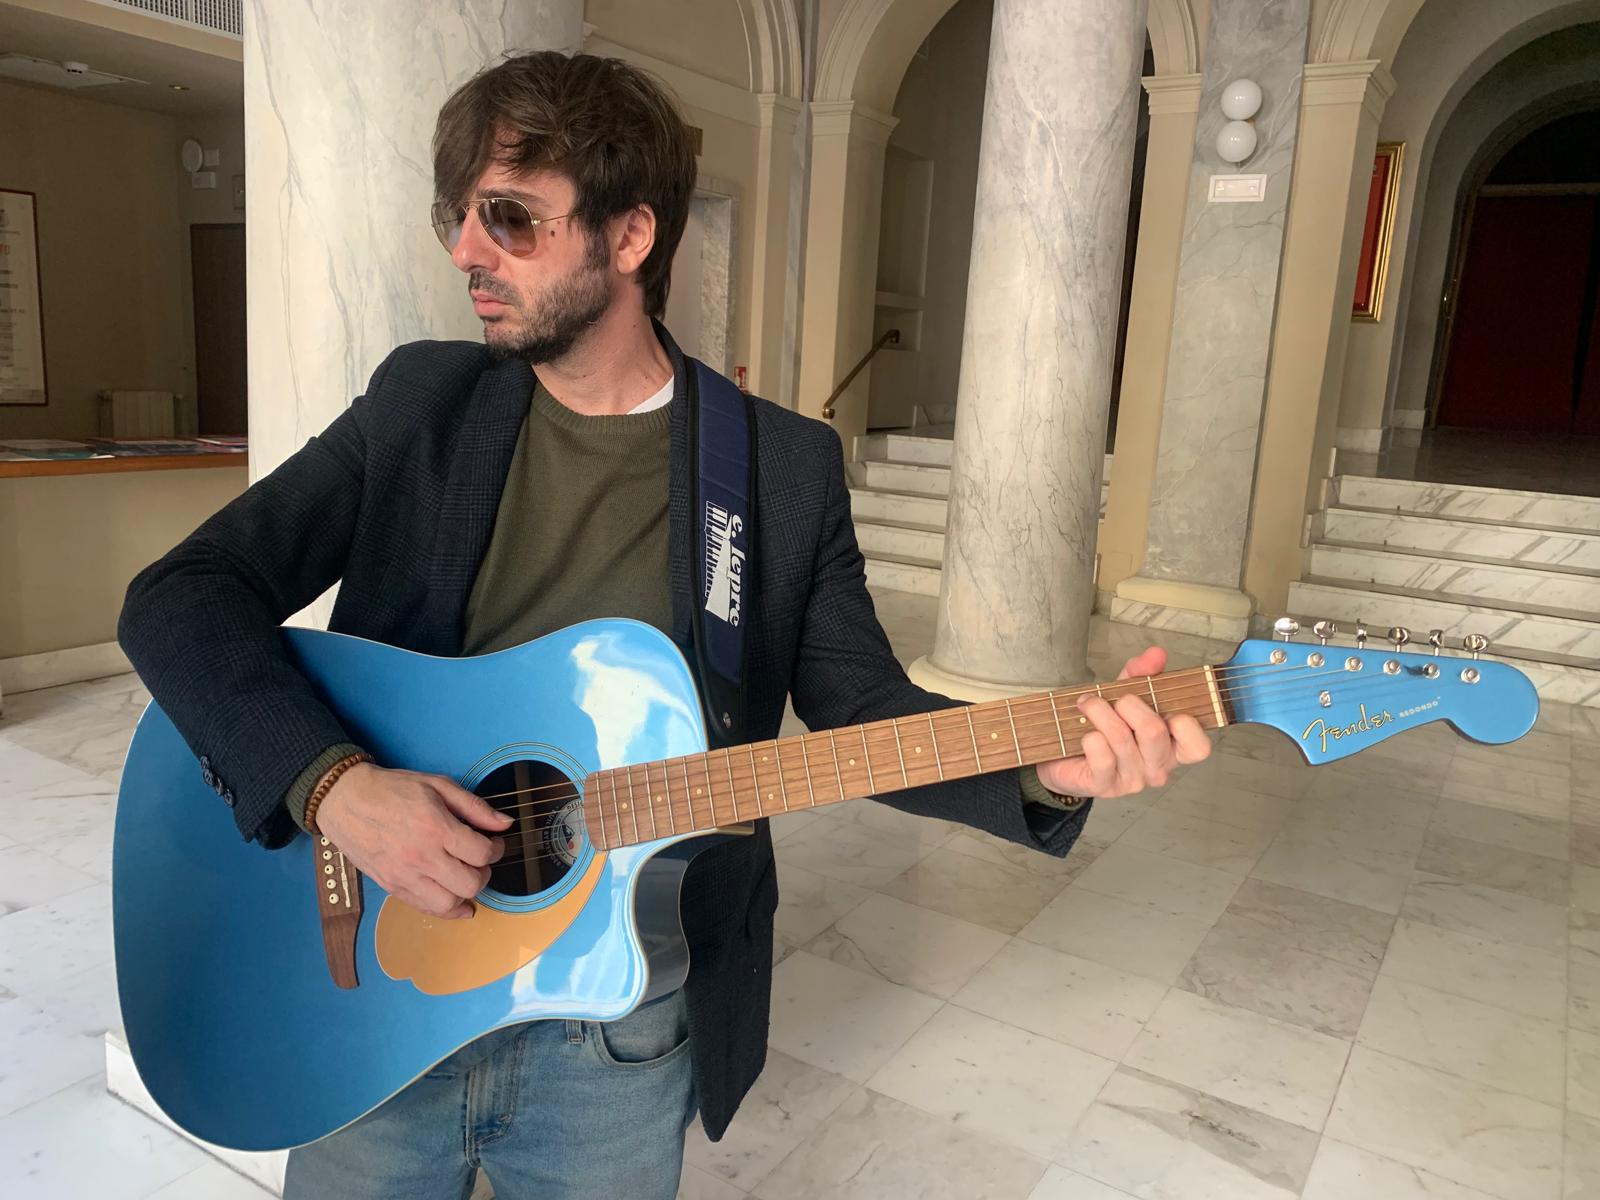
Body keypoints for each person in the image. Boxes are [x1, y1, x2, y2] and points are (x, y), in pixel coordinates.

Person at [118, 50, 1210, 1200]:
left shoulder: (777, 468)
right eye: (460, 216)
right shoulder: (421, 405)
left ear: (630, 235)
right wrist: (336, 788)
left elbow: (863, 711)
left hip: (613, 1028)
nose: (466, 250)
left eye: (509, 218)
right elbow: (182, 594)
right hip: (372, 991)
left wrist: (1043, 765)